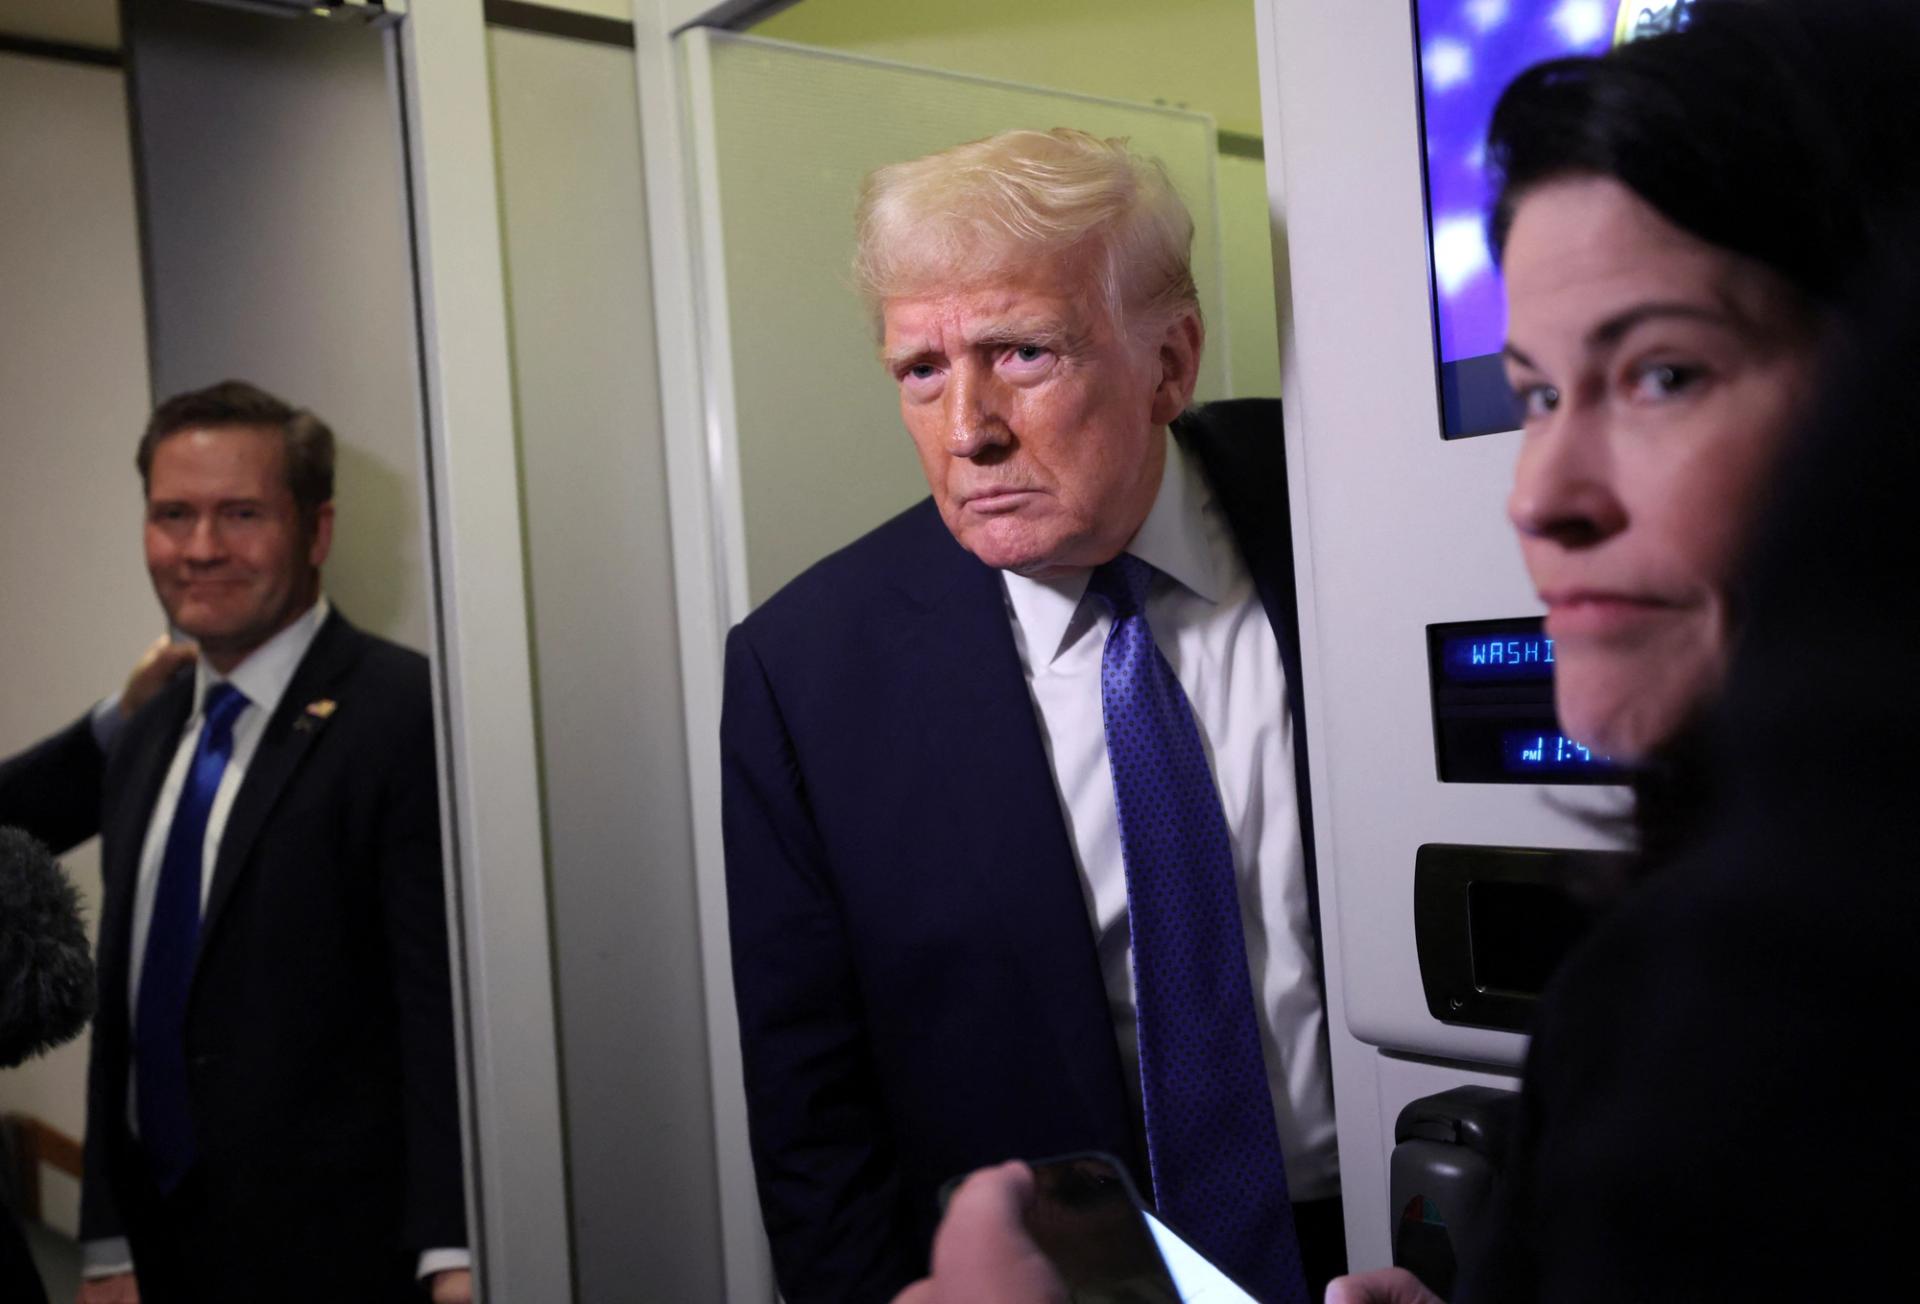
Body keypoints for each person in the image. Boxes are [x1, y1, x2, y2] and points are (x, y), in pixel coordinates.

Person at [900, 2, 1920, 1299]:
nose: (1535, 493)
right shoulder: (1662, 974)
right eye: (1535, 391)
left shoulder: (1791, 1009)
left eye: (1662, 374)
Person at [721, 128, 1341, 1303]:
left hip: (1387, 1243)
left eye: (1022, 353)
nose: (968, 428)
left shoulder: (1344, 499)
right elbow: (812, 1108)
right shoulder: (806, 668)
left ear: (1170, 362)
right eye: (921, 370)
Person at [1, 381, 469, 1304]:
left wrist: (449, 1250)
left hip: (345, 1263)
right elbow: (125, 1021)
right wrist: (104, 1244)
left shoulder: (403, 714)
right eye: (172, 514)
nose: (201, 548)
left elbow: (438, 1010)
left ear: (316, 531)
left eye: (240, 514)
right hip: (162, 1258)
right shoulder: (146, 728)